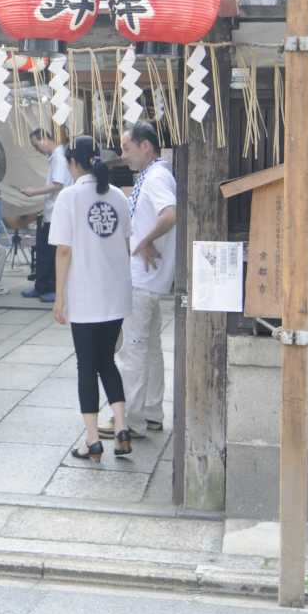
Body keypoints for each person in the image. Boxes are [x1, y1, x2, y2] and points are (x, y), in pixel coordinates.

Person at [50, 135, 134, 461]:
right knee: (106, 361)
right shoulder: (117, 196)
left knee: (87, 366)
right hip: (115, 293)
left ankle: (92, 439)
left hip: (85, 295)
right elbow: (125, 244)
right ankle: (123, 426)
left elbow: (64, 250)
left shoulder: (69, 197)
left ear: (73, 163)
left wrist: (59, 297)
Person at [101, 121, 177, 439]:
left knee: (134, 349)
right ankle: (151, 412)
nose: (123, 155)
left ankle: (129, 418)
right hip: (150, 278)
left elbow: (170, 213)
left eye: (127, 148)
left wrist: (144, 242)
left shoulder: (157, 176)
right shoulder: (154, 175)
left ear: (146, 146)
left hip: (144, 279)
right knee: (150, 349)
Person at [20, 128, 71, 303]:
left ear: (44, 139)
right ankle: (40, 286)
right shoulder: (54, 158)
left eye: (36, 145)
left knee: (51, 252)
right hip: (51, 210)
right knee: (43, 249)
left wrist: (34, 192)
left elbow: (58, 184)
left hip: (58, 211)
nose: (36, 149)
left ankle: (51, 287)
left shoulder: (59, 157)